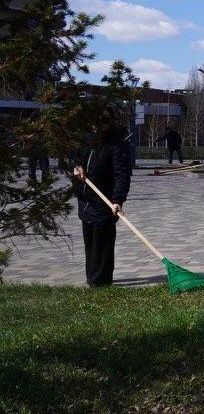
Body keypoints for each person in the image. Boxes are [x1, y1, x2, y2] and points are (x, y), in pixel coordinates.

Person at [72, 103, 131, 287]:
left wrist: (117, 200)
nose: (99, 126)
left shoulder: (116, 144)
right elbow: (74, 156)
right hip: (86, 199)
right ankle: (92, 278)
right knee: (90, 243)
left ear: (111, 121)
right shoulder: (87, 139)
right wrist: (76, 167)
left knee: (102, 244)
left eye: (104, 121)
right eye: (96, 122)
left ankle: (101, 282)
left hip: (105, 202)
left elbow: (122, 175)